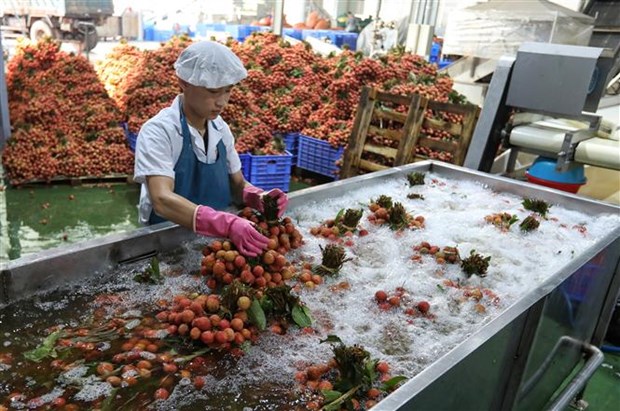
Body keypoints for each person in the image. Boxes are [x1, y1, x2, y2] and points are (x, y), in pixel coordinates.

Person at [133, 41, 288, 257]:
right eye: (214, 91)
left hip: (217, 248)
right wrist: (224, 223)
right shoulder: (159, 131)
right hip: (167, 247)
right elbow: (162, 200)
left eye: (228, 91)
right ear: (184, 82)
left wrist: (259, 197)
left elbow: (237, 184)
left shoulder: (220, 128)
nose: (222, 102)